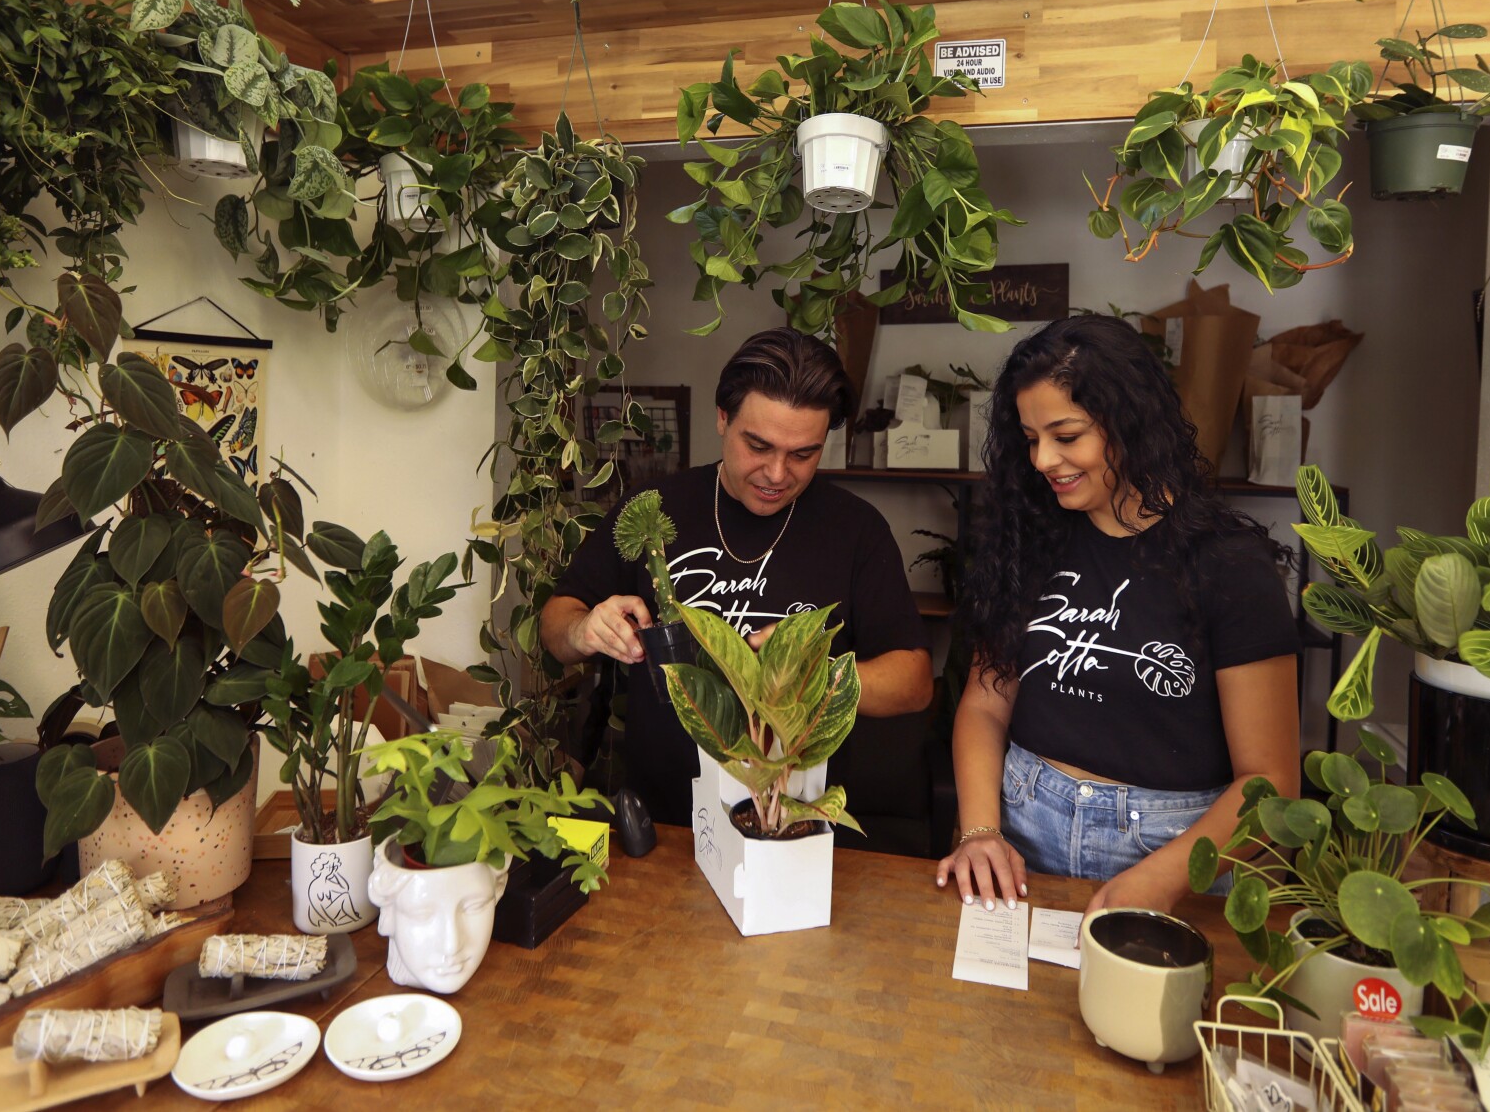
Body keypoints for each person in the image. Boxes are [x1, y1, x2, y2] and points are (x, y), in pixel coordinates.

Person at [935, 314, 1300, 915]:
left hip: (1175, 850)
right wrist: (980, 833)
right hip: (1022, 835)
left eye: (1067, 435)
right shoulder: (1028, 541)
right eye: (1030, 439)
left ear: (1129, 423)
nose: (1044, 459)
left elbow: (1269, 785)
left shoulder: (1229, 566)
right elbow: (983, 703)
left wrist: (1162, 879)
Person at [545, 328, 934, 846]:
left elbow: (914, 682)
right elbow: (556, 621)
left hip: (790, 830)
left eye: (804, 453)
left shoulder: (856, 530)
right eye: (758, 445)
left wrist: (813, 674)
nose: (777, 473)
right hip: (664, 827)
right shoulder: (657, 505)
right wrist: (584, 629)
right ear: (723, 418)